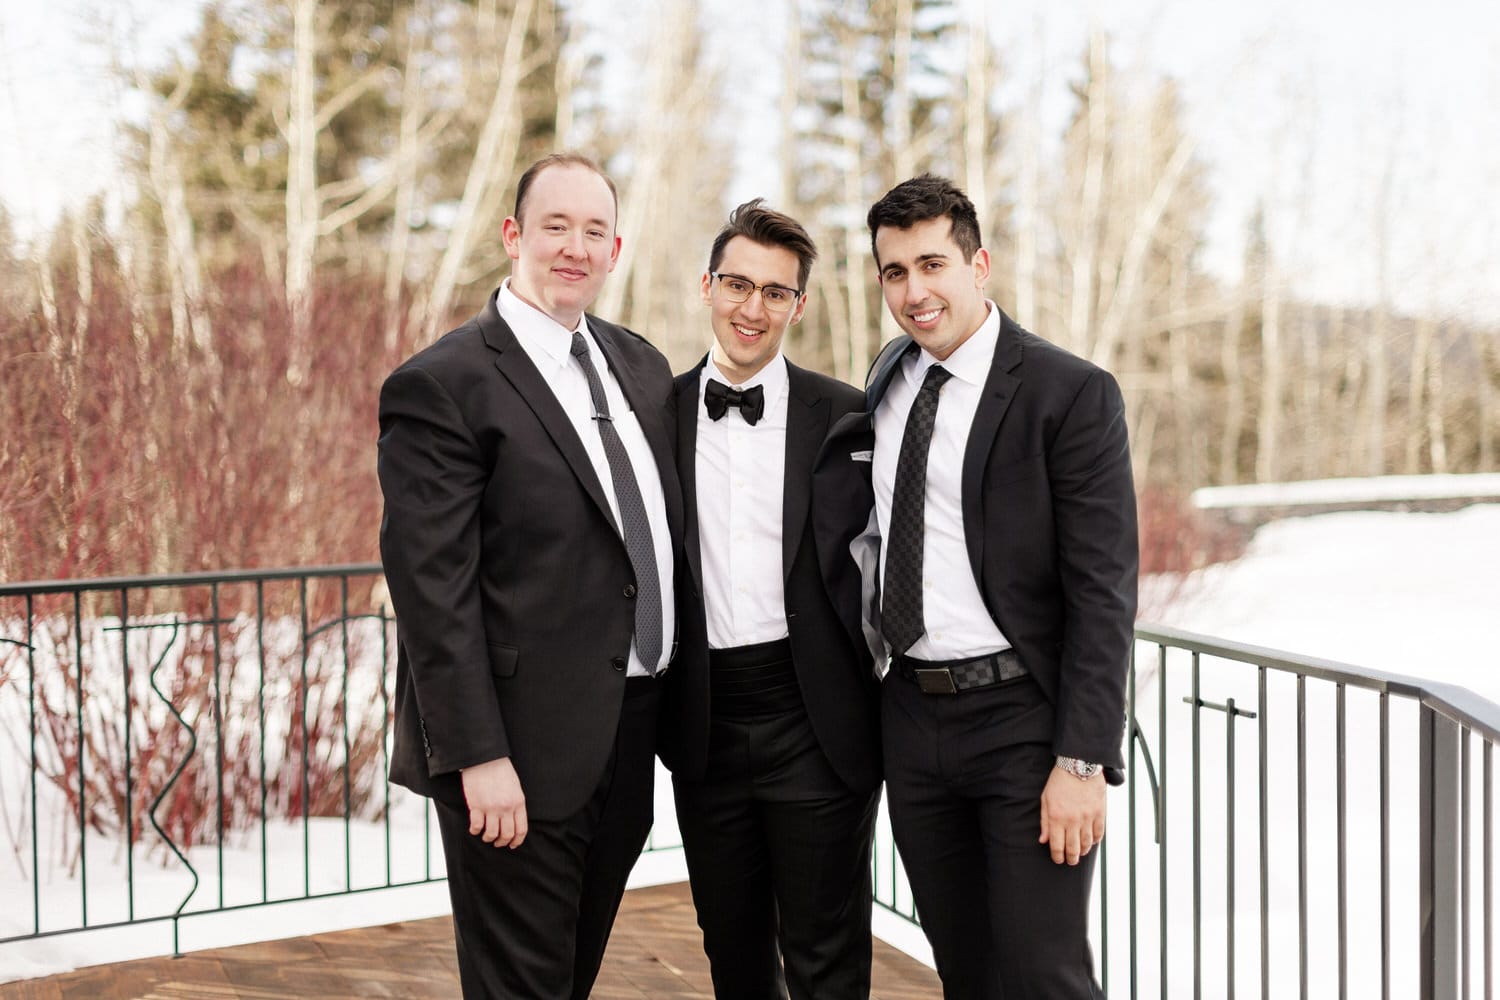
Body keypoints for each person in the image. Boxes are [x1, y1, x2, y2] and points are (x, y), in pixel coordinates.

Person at [821, 174, 1138, 999]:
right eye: (894, 272)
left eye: (932, 264)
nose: (915, 291)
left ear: (979, 264)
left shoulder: (1068, 393)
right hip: (914, 718)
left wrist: (1083, 760)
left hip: (1024, 725)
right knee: (965, 969)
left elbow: (1105, 590)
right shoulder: (888, 378)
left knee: (1044, 975)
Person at [377, 152, 680, 1000]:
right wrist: (478, 756)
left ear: (615, 249)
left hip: (627, 738)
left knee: (569, 976)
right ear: (514, 236)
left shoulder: (642, 368)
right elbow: (431, 594)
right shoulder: (443, 384)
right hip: (515, 754)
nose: (574, 248)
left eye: (594, 231)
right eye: (556, 226)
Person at [659, 199, 881, 1000]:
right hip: (705, 721)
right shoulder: (657, 414)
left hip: (816, 720)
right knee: (734, 953)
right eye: (737, 285)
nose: (753, 309)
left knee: (828, 954)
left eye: (775, 292)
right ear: (707, 286)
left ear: (800, 304)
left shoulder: (851, 414)